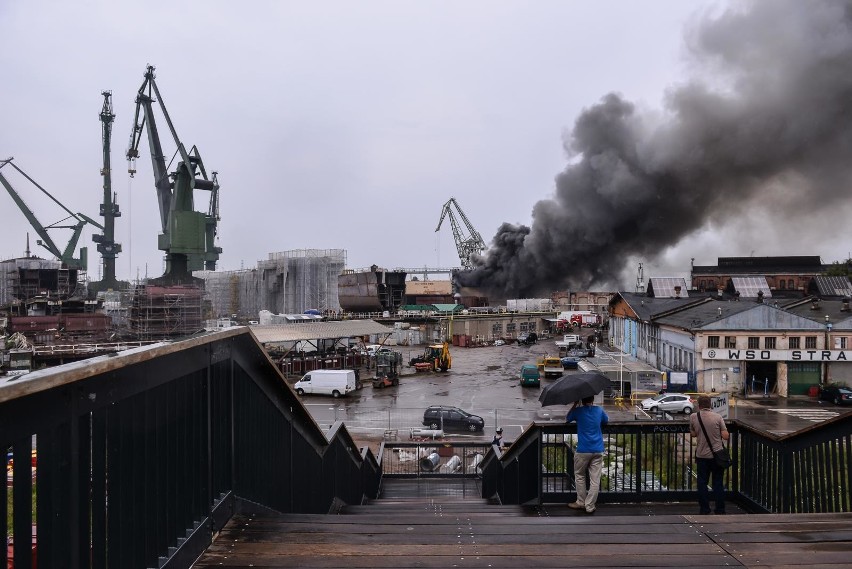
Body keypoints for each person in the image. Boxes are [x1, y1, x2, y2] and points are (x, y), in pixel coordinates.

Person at [566, 395, 609, 514]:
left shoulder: (578, 411)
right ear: (592, 400)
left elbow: (568, 418)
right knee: (595, 480)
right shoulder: (599, 410)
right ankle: (590, 506)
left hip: (583, 449)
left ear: (582, 400)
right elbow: (606, 420)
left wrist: (575, 404)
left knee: (579, 475)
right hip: (598, 449)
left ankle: (581, 502)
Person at [690, 395, 730, 515]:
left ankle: (704, 509)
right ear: (710, 405)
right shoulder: (718, 417)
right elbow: (725, 436)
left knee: (702, 483)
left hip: (702, 456)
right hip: (717, 456)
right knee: (718, 482)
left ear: (699, 405)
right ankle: (720, 509)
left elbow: (693, 434)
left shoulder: (693, 416)